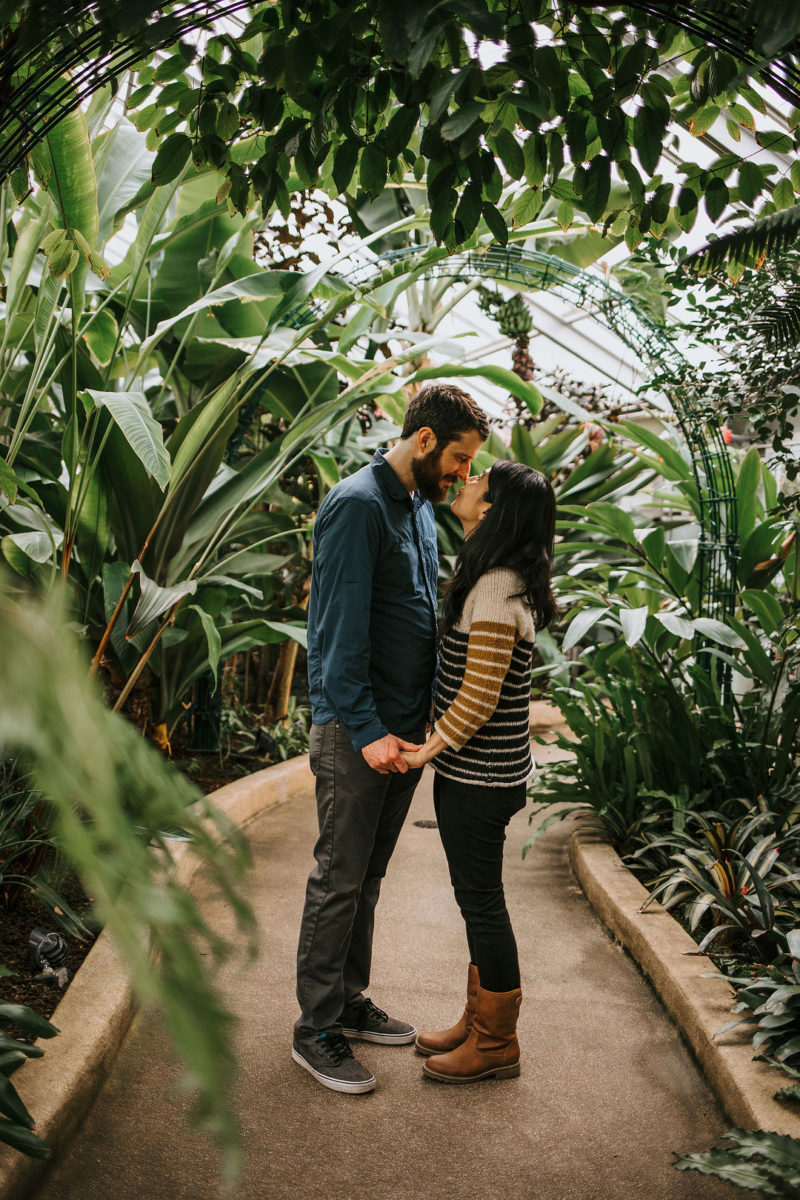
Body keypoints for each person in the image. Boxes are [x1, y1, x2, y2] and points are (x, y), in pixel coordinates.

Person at [292, 384, 490, 1094]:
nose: (463, 477)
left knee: (366, 880)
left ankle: (346, 1001)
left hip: (405, 735)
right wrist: (369, 729)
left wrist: (424, 725)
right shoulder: (357, 504)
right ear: (427, 440)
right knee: (338, 878)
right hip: (359, 734)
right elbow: (336, 634)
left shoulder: (414, 507)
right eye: (460, 460)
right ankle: (314, 1028)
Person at [401, 460, 557, 1084]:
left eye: (476, 484)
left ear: (492, 511)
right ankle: (479, 1020)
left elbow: (479, 696)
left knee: (482, 903)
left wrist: (425, 750)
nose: (463, 483)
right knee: (477, 901)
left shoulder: (494, 586)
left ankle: (496, 1043)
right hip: (487, 772)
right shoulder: (498, 577)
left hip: (480, 775)